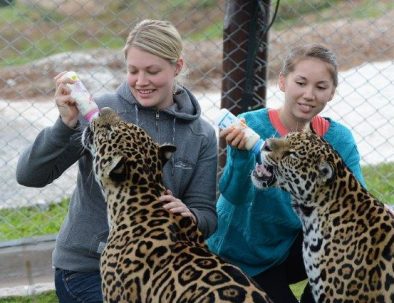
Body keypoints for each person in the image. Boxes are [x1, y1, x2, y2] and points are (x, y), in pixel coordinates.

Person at [16, 19, 218, 303]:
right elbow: (30, 176)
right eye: (132, 71)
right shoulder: (100, 115)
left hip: (157, 273)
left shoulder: (201, 134)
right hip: (88, 267)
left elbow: (207, 215)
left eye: (153, 71)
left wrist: (191, 215)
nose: (141, 81)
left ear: (177, 67)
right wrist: (64, 126)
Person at [207, 44, 366, 303]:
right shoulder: (250, 125)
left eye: (321, 87)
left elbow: (356, 207)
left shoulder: (339, 139)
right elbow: (234, 195)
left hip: (289, 249)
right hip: (237, 253)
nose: (309, 94)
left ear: (332, 93)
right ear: (282, 82)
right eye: (301, 83)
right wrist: (240, 155)